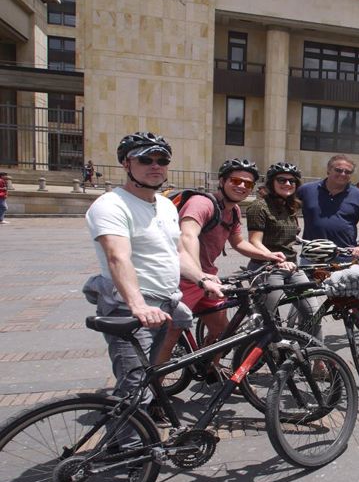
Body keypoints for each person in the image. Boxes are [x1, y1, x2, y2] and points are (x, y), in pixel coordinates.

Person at [82, 132, 196, 454]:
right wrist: (137, 305)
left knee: (148, 375)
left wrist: (203, 279)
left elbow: (176, 253)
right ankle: (135, 462)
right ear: (126, 163)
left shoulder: (165, 204)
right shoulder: (111, 205)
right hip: (130, 307)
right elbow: (118, 257)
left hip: (166, 303)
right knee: (134, 388)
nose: (155, 166)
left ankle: (122, 437)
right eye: (146, 159)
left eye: (161, 160)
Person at [155, 159, 289, 376]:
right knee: (170, 337)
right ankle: (152, 398)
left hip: (208, 278)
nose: (242, 186)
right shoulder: (202, 204)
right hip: (182, 277)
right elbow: (188, 235)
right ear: (222, 181)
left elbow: (238, 243)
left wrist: (268, 255)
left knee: (222, 330)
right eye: (236, 180)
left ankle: (211, 367)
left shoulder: (234, 210)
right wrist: (200, 276)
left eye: (248, 184)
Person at [245, 162, 320, 333]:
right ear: (271, 182)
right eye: (282, 180)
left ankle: (317, 358)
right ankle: (254, 354)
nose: (287, 184)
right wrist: (274, 258)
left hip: (291, 266)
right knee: (267, 320)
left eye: (291, 181)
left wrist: (314, 245)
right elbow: (254, 241)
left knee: (313, 313)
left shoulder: (290, 206)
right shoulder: (259, 207)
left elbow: (289, 235)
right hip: (266, 267)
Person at [298, 154, 359, 259]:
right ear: (328, 170)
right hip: (311, 256)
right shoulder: (306, 190)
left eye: (348, 172)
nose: (343, 174)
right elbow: (287, 209)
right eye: (338, 170)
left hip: (344, 257)